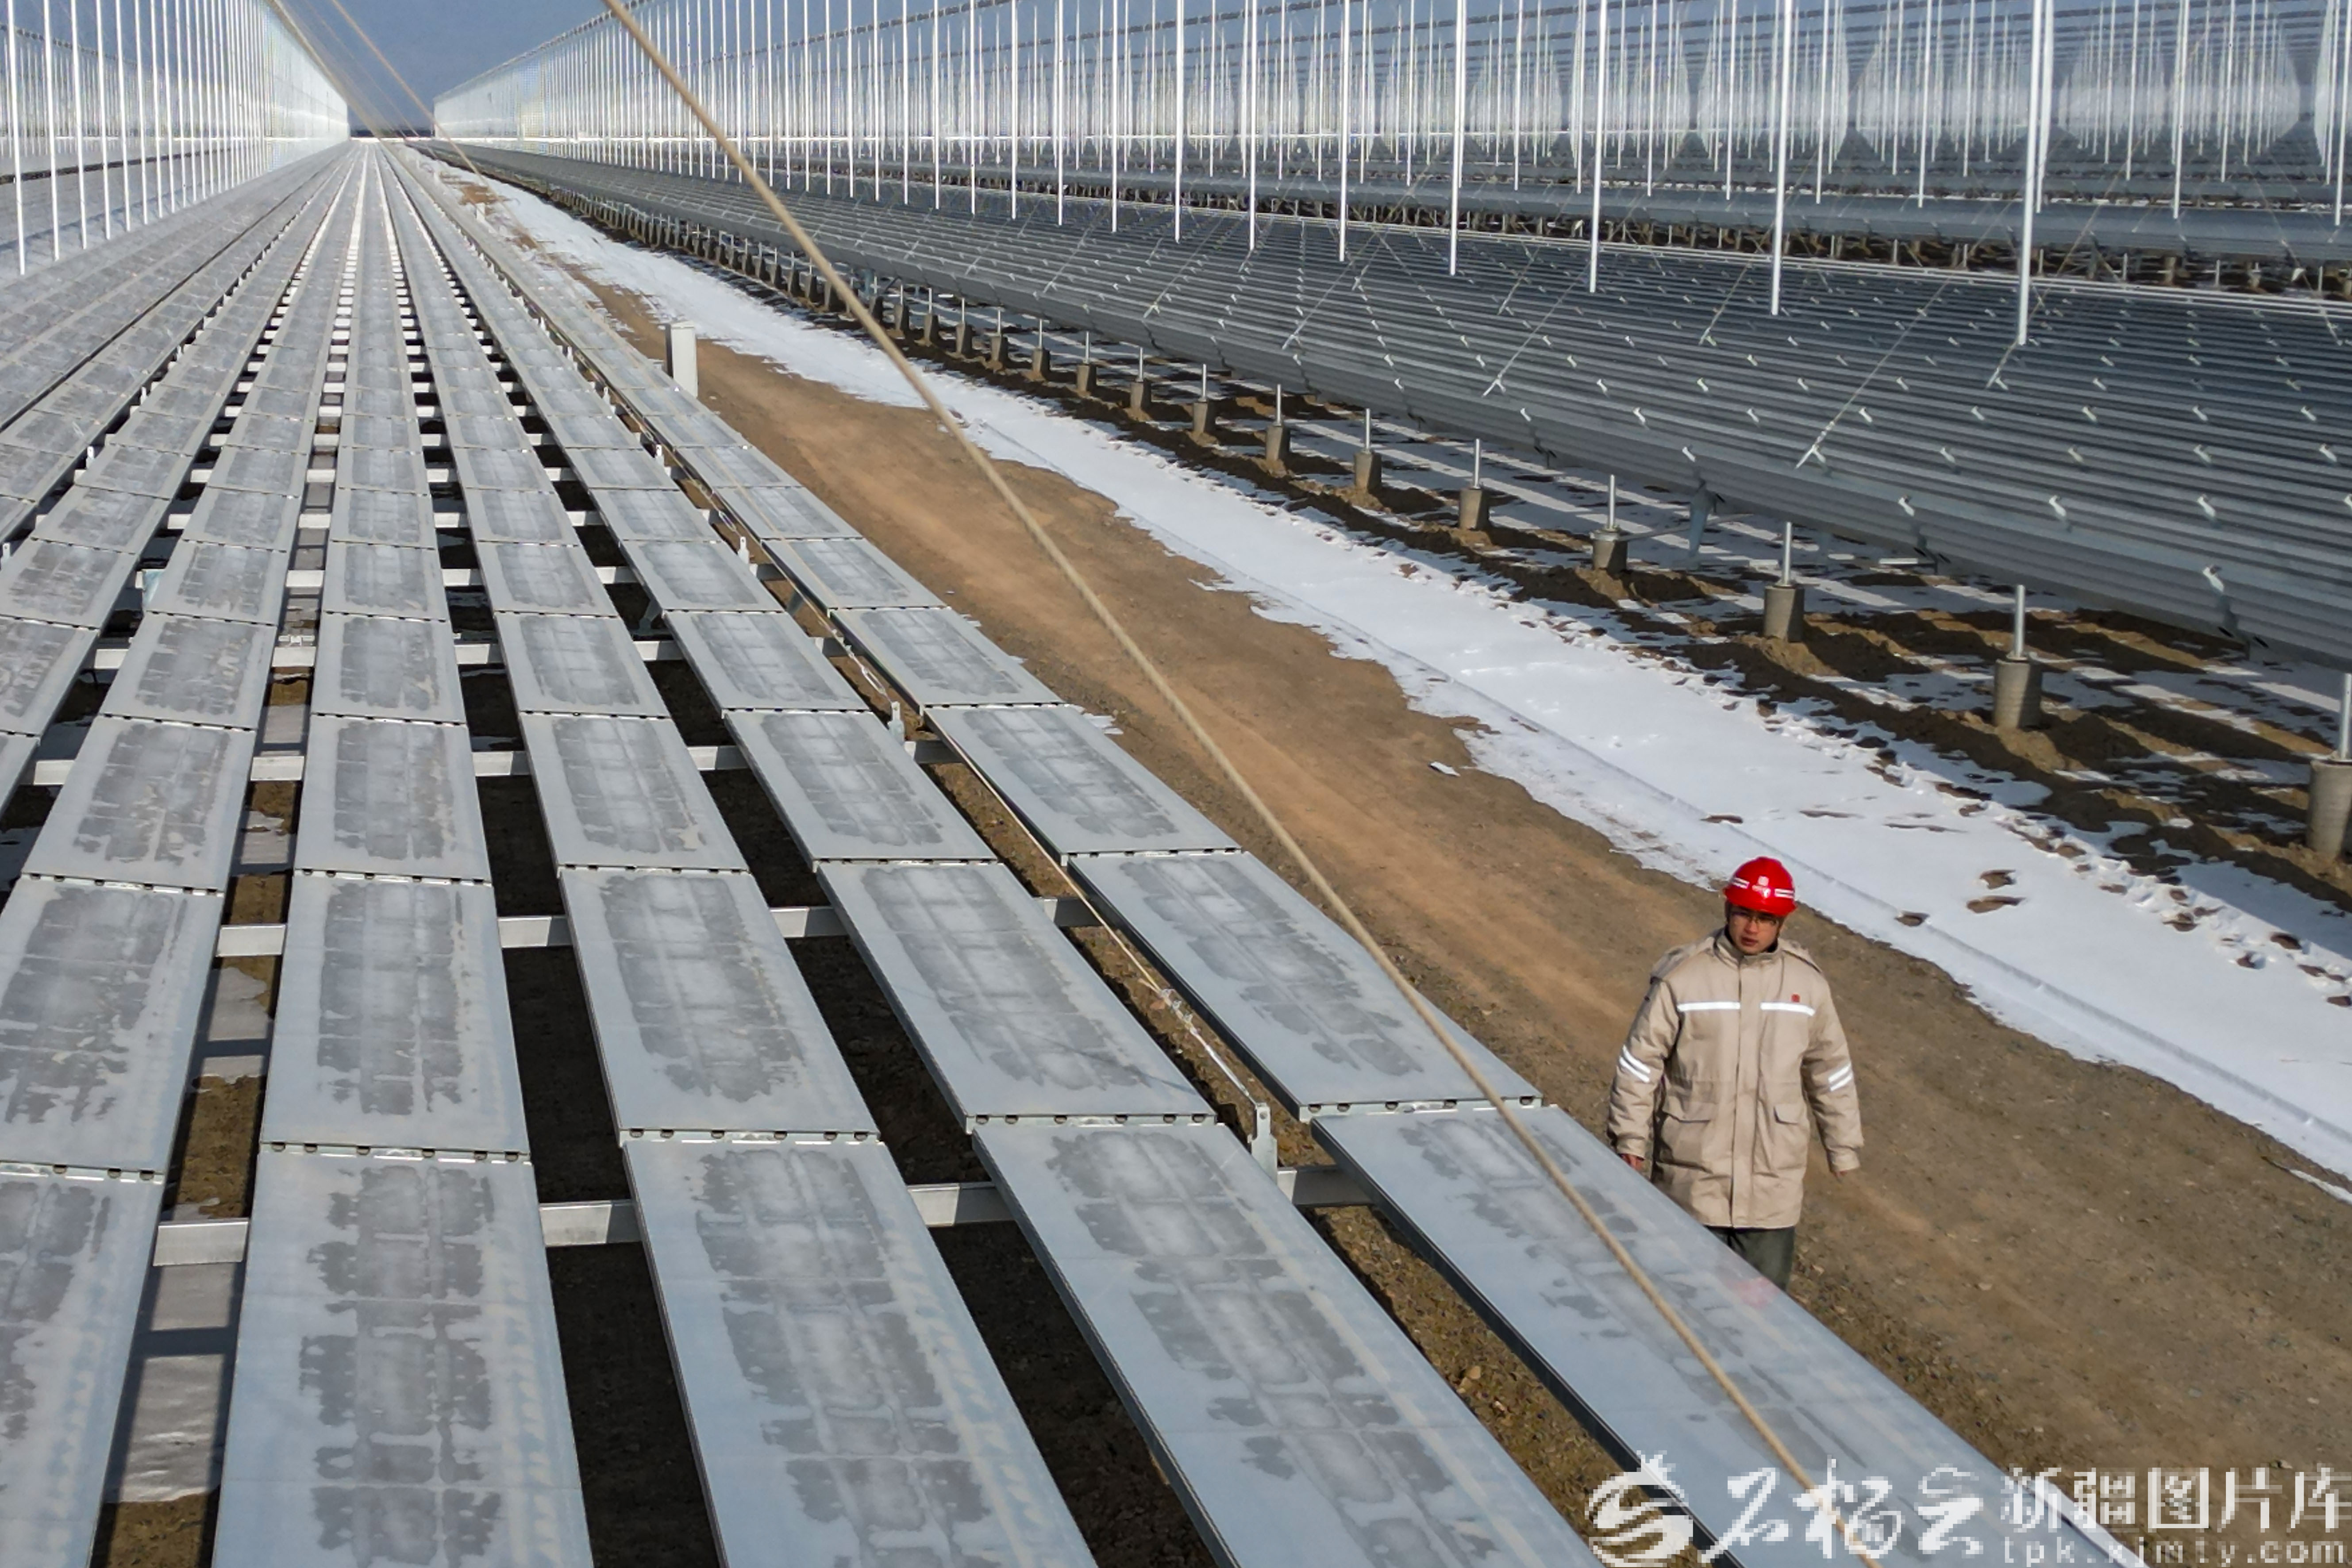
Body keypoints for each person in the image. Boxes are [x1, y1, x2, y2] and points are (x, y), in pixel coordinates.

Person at [1607, 857, 1861, 1289]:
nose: (1752, 928)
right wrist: (1629, 1139)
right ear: (1727, 909)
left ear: (1782, 923)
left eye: (1766, 919)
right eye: (1744, 914)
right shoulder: (1683, 978)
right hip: (1691, 1180)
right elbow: (1639, 1062)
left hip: (1771, 1191)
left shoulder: (1807, 986)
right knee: (1681, 1303)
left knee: (1760, 1312)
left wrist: (1843, 1146)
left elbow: (1829, 1069)